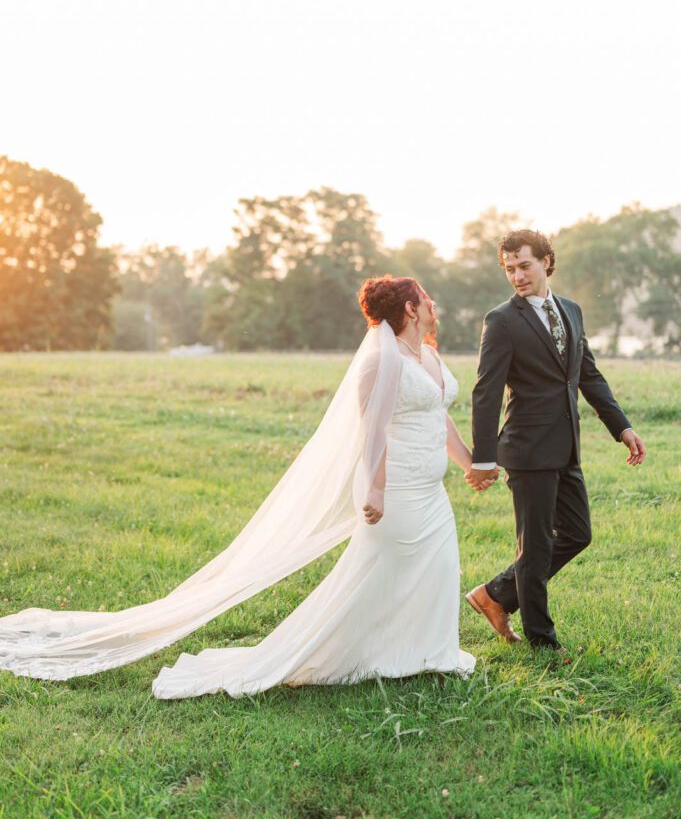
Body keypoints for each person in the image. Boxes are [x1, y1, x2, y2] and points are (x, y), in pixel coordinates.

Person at [0, 276, 476, 698]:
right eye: (426, 297)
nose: (434, 303)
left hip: (430, 490)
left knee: (435, 566)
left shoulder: (428, 356)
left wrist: (470, 463)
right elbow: (371, 429)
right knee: (376, 576)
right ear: (410, 309)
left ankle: (428, 652)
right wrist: (375, 487)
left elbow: (439, 416)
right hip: (392, 489)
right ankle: (335, 655)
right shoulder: (381, 360)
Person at [464, 229, 646, 651]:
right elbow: (486, 392)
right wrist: (485, 458)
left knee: (578, 534)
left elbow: (587, 375)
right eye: (509, 269)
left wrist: (622, 427)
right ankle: (542, 641)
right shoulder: (502, 320)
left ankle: (495, 594)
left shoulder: (572, 311)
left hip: (566, 447)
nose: (517, 276)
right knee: (537, 544)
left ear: (546, 261)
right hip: (526, 450)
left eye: (524, 265)